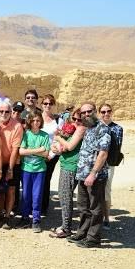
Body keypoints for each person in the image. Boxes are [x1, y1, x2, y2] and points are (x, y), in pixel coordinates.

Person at [67, 103, 111, 248]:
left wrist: (93, 174)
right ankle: (83, 232)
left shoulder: (103, 129)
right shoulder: (88, 128)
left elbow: (103, 154)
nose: (86, 114)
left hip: (95, 176)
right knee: (83, 206)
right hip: (82, 174)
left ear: (95, 111)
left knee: (95, 207)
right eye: (83, 112)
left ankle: (93, 238)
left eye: (89, 111)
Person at [49, 108, 85, 238]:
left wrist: (58, 137)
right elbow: (63, 147)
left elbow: (69, 147)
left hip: (71, 166)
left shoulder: (81, 130)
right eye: (74, 119)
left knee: (65, 196)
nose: (76, 122)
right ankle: (65, 225)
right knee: (64, 194)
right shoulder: (74, 130)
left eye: (79, 120)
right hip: (66, 164)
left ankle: (66, 228)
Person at [18, 112, 50, 233]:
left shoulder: (44, 136)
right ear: (29, 122)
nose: (35, 123)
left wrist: (29, 151)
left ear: (41, 122)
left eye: (38, 120)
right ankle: (25, 217)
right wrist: (39, 150)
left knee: (37, 195)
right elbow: (21, 151)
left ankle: (36, 220)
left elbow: (46, 154)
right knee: (26, 194)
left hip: (39, 170)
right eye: (33, 121)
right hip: (26, 169)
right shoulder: (26, 134)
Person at [0, 102, 24, 229]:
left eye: (7, 112)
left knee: (11, 190)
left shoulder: (17, 126)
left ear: (11, 112)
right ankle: (0, 213)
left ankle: (7, 216)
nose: (4, 114)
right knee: (0, 190)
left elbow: (15, 150)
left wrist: (10, 169)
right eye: (1, 111)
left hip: (12, 162)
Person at [99, 103, 123, 228]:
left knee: (106, 191)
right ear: (99, 113)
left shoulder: (118, 129)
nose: (106, 114)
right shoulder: (95, 127)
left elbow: (116, 148)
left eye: (108, 111)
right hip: (94, 164)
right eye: (103, 112)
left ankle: (106, 218)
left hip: (108, 165)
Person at [40, 94, 62, 215]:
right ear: (41, 105)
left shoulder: (58, 120)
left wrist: (51, 155)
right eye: (45, 103)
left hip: (52, 155)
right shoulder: (37, 118)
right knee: (36, 179)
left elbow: (60, 138)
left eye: (50, 103)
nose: (48, 106)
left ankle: (43, 206)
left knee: (46, 179)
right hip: (37, 154)